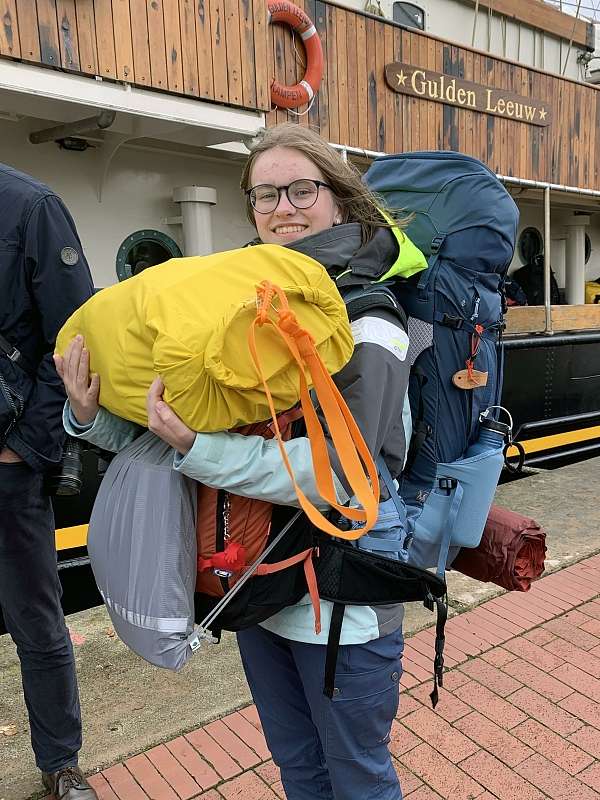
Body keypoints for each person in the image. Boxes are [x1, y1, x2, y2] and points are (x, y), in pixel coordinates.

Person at [57, 123, 416, 800]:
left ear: (341, 201)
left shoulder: (368, 317)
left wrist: (201, 449)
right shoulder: (232, 303)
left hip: (339, 588)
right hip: (253, 578)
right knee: (297, 764)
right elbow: (169, 440)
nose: (282, 208)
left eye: (302, 189)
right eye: (264, 195)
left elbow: (347, 472)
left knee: (358, 774)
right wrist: (88, 414)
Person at [0, 164, 99, 799]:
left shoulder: (31, 207)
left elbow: (75, 338)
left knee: (37, 618)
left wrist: (22, 449)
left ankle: (61, 764)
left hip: (8, 467)